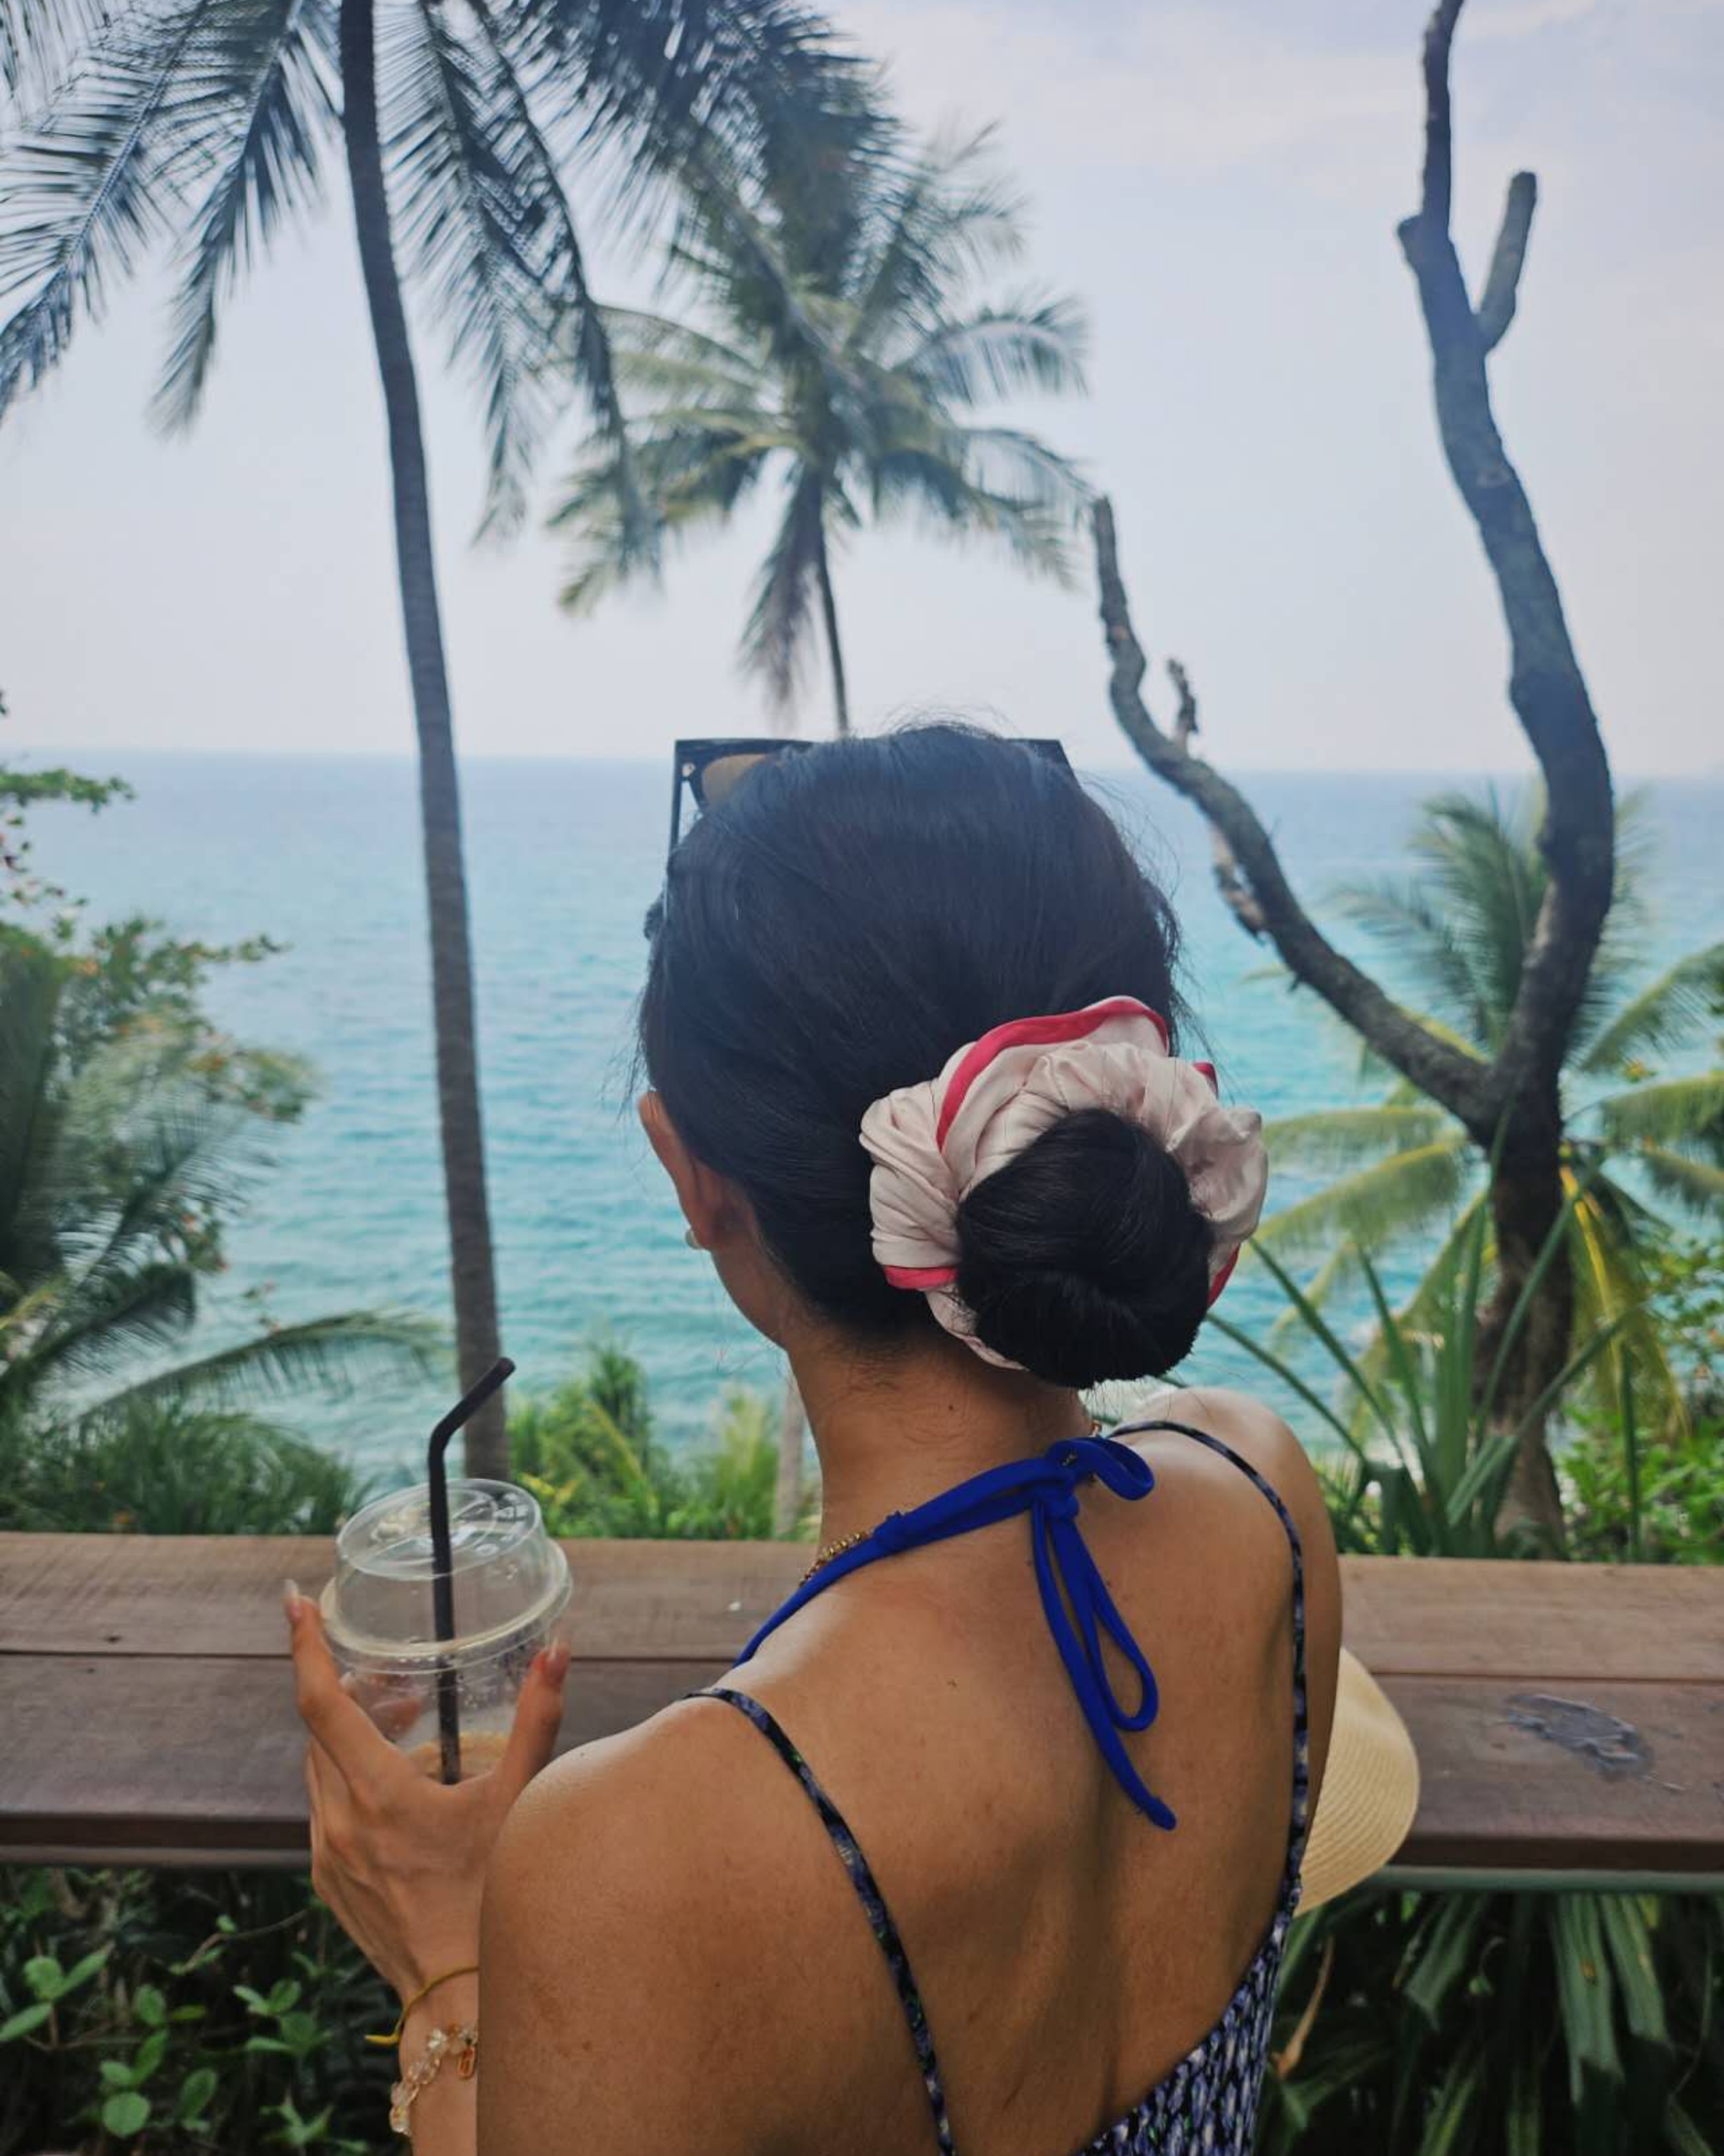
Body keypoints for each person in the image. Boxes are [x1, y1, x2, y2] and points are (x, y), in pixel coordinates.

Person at [288, 725, 1415, 2154]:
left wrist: (448, 1952)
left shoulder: (650, 1855)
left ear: (693, 1178)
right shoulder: (1260, 1489)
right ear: (1128, 1111)